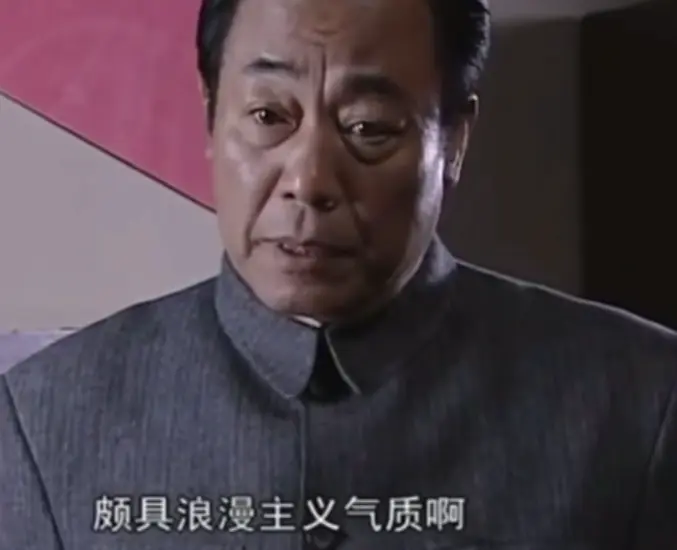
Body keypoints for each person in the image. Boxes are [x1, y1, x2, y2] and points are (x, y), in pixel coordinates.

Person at [0, 0, 675, 548]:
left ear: (454, 139)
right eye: (268, 116)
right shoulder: (41, 419)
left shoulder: (640, 404)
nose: (309, 179)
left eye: (368, 127)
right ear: (209, 112)